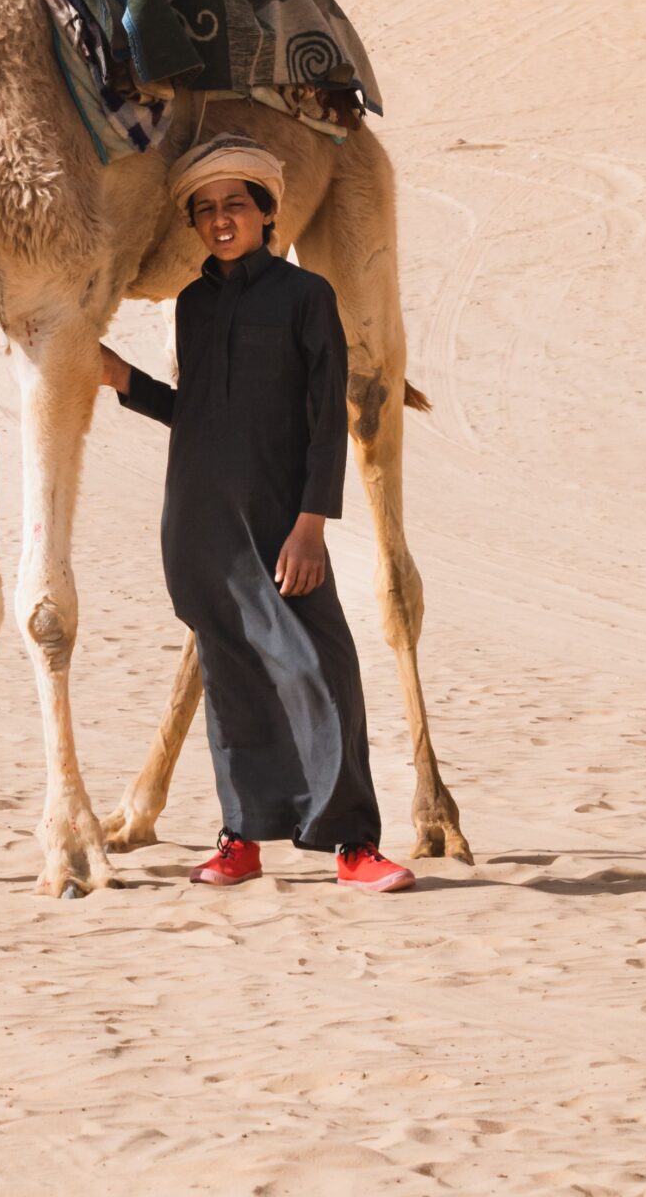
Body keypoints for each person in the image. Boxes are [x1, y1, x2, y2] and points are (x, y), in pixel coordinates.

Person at [100, 134, 415, 892]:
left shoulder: (307, 299)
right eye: (205, 210)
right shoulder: (194, 305)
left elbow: (323, 421)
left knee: (320, 670)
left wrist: (312, 524)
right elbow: (198, 414)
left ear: (266, 212)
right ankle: (240, 837)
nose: (219, 220)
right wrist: (123, 380)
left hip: (280, 522)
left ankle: (353, 846)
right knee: (233, 675)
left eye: (233, 205)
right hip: (200, 522)